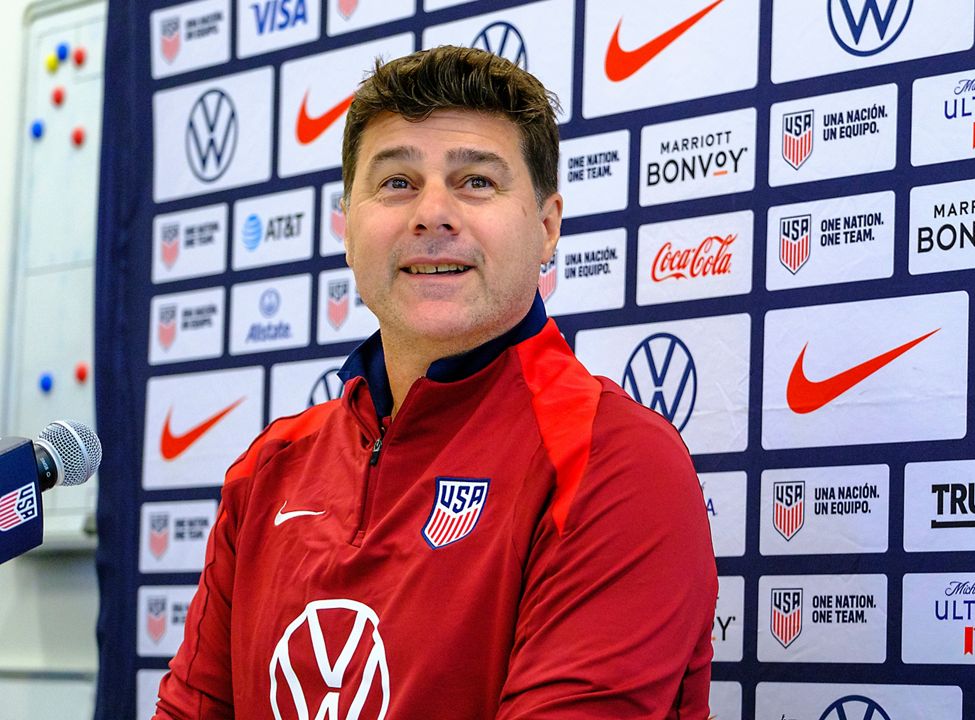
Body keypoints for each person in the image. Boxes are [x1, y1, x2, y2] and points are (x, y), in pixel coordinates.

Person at [153, 46, 717, 719]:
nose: (432, 214)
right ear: (348, 227)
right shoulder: (268, 470)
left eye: (476, 181)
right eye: (396, 183)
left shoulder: (613, 461)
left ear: (546, 228)